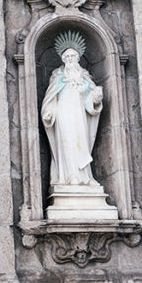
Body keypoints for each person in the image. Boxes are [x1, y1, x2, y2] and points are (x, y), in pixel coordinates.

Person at [41, 31, 103, 186]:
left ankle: (85, 177)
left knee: (81, 140)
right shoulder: (57, 75)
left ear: (78, 58)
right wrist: (49, 111)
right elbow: (51, 96)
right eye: (67, 57)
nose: (70, 59)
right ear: (63, 59)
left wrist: (95, 99)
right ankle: (70, 176)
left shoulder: (84, 76)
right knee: (66, 141)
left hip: (79, 113)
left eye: (72, 56)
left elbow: (91, 99)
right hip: (63, 112)